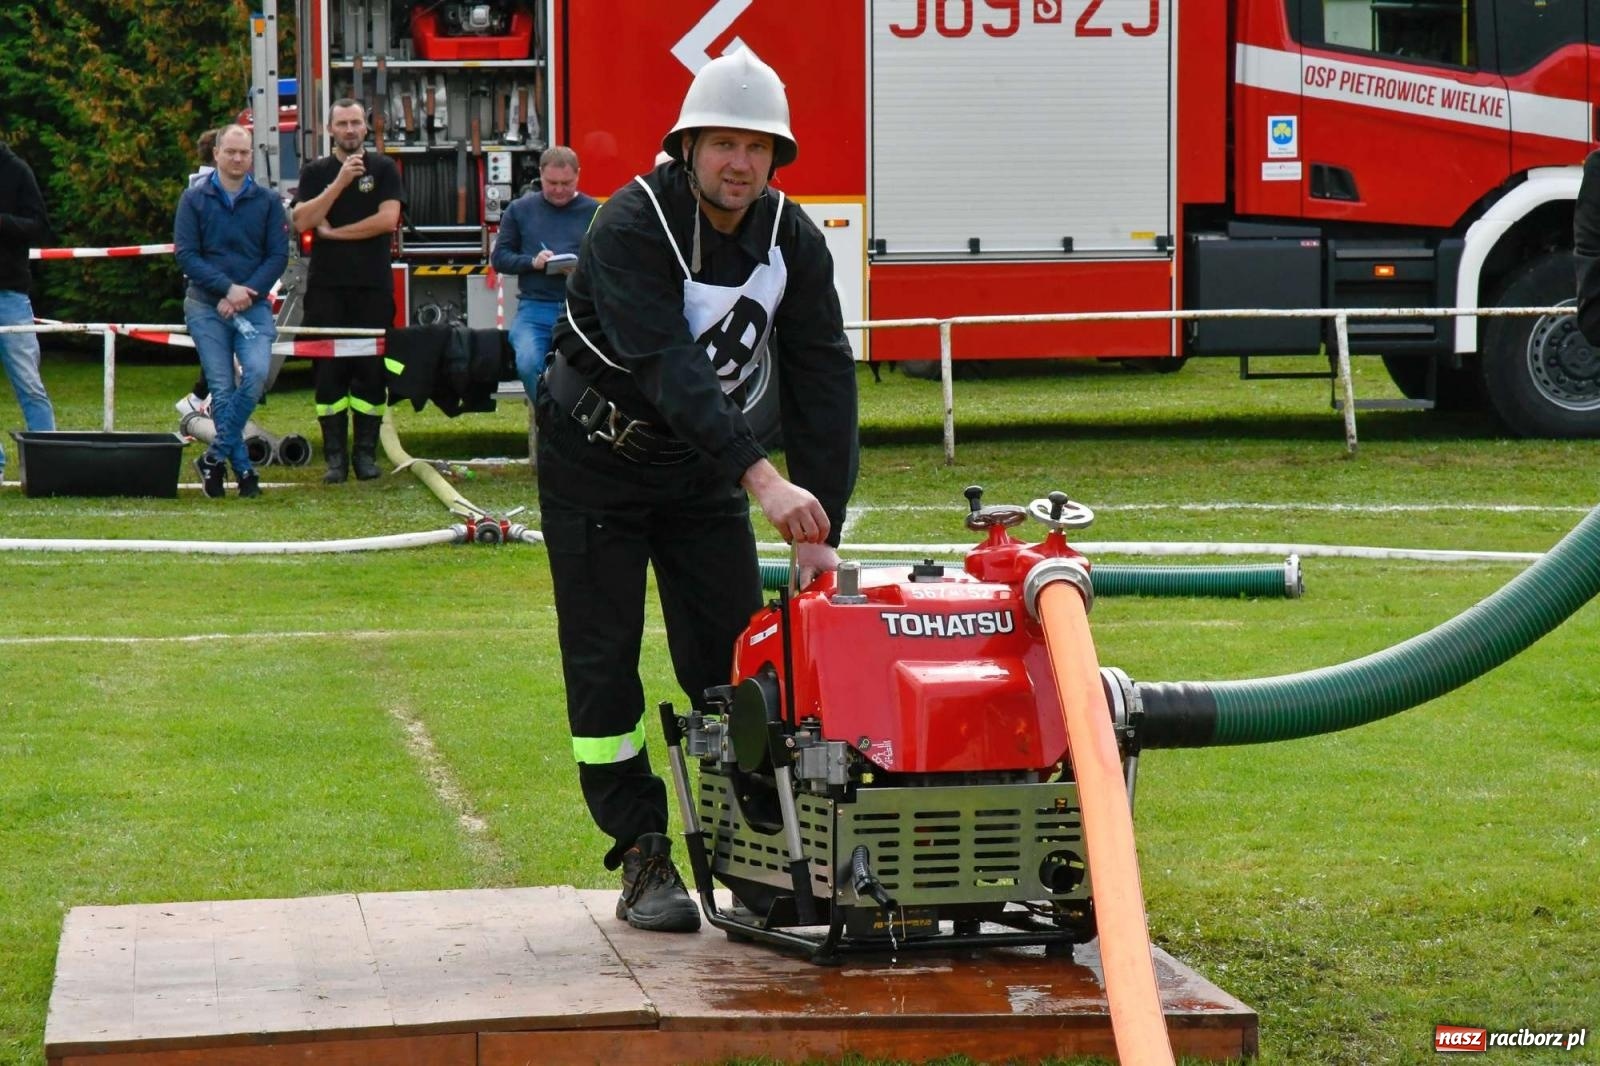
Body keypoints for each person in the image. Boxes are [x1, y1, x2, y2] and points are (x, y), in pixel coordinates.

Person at [540, 47, 858, 932]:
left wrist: (820, 523)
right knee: (604, 669)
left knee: (733, 663)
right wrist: (762, 478)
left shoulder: (793, 239)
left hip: (701, 471)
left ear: (775, 158)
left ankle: (748, 851)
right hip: (594, 464)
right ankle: (643, 855)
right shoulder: (629, 225)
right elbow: (669, 366)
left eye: (758, 148)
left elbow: (824, 373)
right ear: (688, 146)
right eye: (723, 143)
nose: (739, 163)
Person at [173, 124, 288, 498]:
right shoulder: (193, 199)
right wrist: (226, 289)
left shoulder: (268, 201)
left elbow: (277, 256)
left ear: (251, 155)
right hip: (206, 306)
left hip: (252, 307)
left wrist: (245, 294)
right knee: (221, 389)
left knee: (255, 376)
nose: (238, 159)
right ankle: (241, 470)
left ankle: (214, 456)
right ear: (217, 154)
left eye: (244, 152)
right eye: (231, 152)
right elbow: (186, 254)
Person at [290, 99, 401, 483]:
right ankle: (335, 459)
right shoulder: (315, 172)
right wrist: (338, 184)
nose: (350, 130)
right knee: (328, 374)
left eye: (356, 123)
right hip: (326, 288)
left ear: (366, 129)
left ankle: (366, 457)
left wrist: (335, 233)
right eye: (343, 124)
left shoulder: (384, 168)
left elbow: (387, 220)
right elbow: (302, 219)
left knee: (371, 372)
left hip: (372, 286)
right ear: (330, 130)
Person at [490, 145, 598, 401]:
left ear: (578, 176)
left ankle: (578, 423)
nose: (559, 189)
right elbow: (499, 258)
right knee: (528, 362)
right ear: (540, 175)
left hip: (582, 310)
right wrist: (532, 263)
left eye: (566, 183)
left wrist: (583, 267)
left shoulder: (595, 212)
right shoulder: (519, 210)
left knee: (595, 367)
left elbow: (613, 261)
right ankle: (549, 421)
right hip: (535, 308)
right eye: (552, 183)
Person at [0, 133, 57, 479]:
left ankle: (47, 459)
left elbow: (39, 227)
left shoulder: (17, 170)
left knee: (28, 381)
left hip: (10, 293)